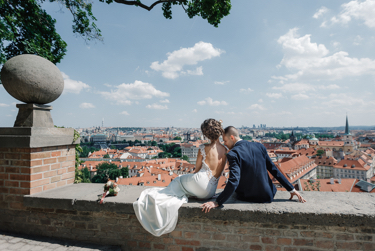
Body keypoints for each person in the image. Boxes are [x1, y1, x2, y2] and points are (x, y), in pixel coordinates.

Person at [133, 119, 227, 236]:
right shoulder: (225, 150)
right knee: (185, 186)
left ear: (206, 134)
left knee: (178, 179)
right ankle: (188, 192)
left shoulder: (203, 147)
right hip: (210, 191)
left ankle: (168, 195)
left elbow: (196, 170)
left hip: (199, 182)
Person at [201, 126, 306, 213]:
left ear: (232, 137)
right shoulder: (259, 146)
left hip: (247, 196)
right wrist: (291, 189)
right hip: (268, 195)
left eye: (225, 140)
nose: (225, 144)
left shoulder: (233, 153)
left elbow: (234, 181)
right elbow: (273, 169)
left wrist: (217, 202)